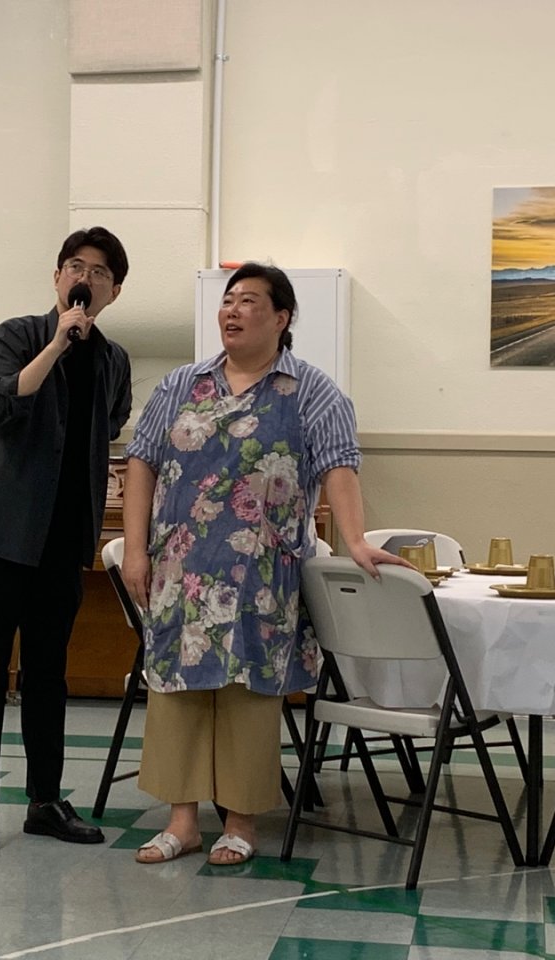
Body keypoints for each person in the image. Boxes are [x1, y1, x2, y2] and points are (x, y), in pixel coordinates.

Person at [121, 262, 408, 865]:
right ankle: (182, 823)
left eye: (248, 300)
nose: (232, 310)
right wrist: (137, 548)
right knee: (176, 692)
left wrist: (355, 540)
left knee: (250, 693)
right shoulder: (181, 385)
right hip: (181, 569)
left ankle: (241, 823)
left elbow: (339, 466)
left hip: (260, 576)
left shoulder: (312, 391)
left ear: (281, 318)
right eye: (228, 300)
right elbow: (142, 460)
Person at [0, 227, 133, 860]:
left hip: (62, 538)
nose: (86, 279)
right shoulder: (16, 336)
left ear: (113, 292)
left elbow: (111, 423)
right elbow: (0, 404)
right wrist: (58, 343)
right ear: (58, 278)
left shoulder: (113, 361)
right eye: (76, 267)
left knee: (48, 673)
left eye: (100, 273)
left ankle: (45, 801)